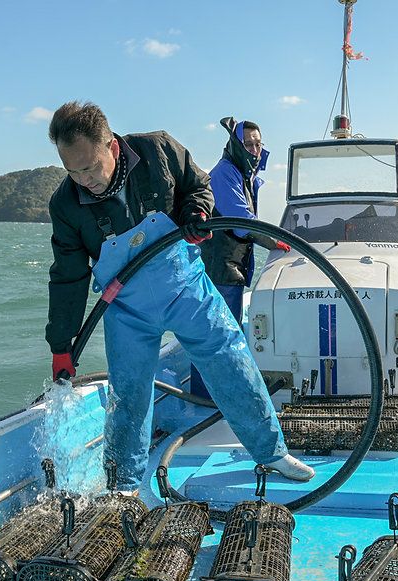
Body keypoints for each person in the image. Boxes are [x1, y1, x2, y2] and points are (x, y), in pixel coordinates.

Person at [44, 101, 315, 491]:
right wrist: (61, 344)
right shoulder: (66, 204)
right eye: (72, 171)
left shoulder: (159, 150)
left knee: (230, 358)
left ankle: (271, 452)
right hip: (126, 308)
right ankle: (124, 486)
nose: (83, 180)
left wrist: (197, 213)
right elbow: (67, 276)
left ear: (112, 147)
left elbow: (198, 186)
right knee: (129, 395)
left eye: (89, 168)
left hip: (186, 286)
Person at [190, 117, 291, 397]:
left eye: (259, 143)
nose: (255, 150)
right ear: (236, 145)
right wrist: (275, 241)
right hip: (219, 269)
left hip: (230, 267)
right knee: (216, 335)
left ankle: (217, 393)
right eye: (249, 144)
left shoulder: (244, 175)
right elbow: (241, 221)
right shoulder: (225, 173)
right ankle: (208, 398)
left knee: (223, 331)